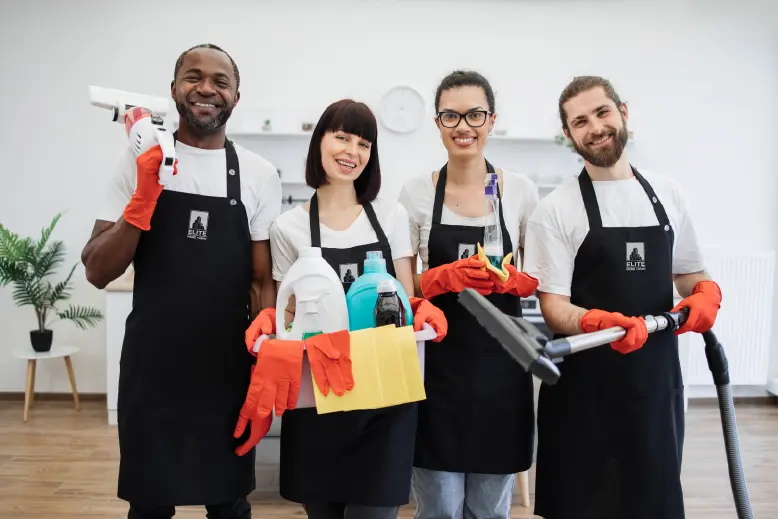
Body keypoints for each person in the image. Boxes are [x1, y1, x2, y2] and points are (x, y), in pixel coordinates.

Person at [81, 43, 282, 519]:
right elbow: (96, 269)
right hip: (154, 369)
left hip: (227, 369)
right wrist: (144, 196)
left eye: (220, 81)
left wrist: (266, 361)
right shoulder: (137, 161)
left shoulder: (257, 174)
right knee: (149, 504)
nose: (206, 88)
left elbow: (260, 282)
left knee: (229, 503)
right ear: (173, 90)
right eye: (193, 77)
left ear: (236, 96)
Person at [523, 75, 722, 519]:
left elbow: (689, 273)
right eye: (579, 121)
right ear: (568, 134)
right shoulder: (555, 209)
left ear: (623, 112)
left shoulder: (668, 193)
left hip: (655, 384)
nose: (594, 127)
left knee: (653, 502)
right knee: (580, 505)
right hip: (582, 393)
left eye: (602, 112)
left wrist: (706, 293)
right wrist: (597, 322)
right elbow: (552, 305)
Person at [242, 99, 448, 519]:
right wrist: (271, 322)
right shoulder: (289, 227)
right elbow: (287, 315)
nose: (352, 151)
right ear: (319, 141)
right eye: (341, 137)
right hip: (318, 396)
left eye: (364, 143)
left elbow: (406, 300)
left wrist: (422, 309)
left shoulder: (391, 216)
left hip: (385, 395)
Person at [398, 70, 540, 519]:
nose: (464, 126)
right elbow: (406, 287)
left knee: (489, 507)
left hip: (502, 367)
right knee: (438, 505)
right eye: (451, 116)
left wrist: (514, 280)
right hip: (436, 369)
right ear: (438, 124)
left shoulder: (519, 190)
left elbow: (537, 273)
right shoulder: (416, 192)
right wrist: (442, 278)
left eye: (475, 114)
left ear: (492, 120)